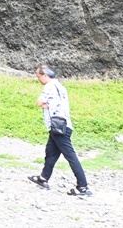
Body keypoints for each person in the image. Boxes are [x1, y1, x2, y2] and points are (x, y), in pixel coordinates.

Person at [28, 65, 91, 196]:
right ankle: (43, 178)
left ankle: (82, 187)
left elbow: (39, 102)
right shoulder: (61, 87)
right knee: (51, 153)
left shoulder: (50, 86)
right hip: (62, 125)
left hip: (58, 127)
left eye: (38, 76)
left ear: (45, 75)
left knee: (70, 156)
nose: (38, 79)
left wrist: (43, 104)